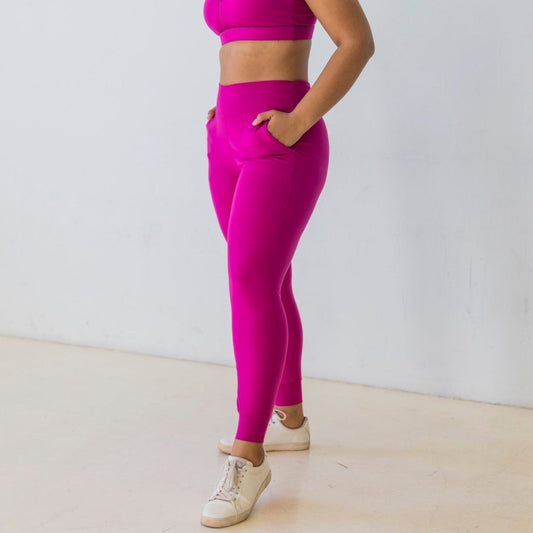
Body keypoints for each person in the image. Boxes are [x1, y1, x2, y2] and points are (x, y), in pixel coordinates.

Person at [201, 0, 375, 527]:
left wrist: (299, 120)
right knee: (270, 282)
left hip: (281, 143)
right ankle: (291, 419)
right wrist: (223, 116)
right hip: (227, 138)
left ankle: (249, 455)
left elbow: (357, 42)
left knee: (251, 283)